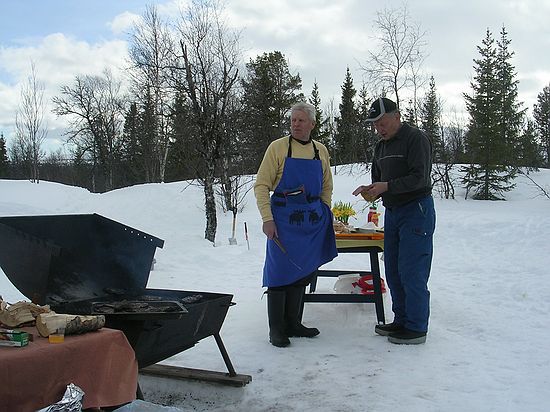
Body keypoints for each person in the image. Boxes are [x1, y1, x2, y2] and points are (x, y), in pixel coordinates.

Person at [353, 97, 435, 345]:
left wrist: (386, 186)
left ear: (397, 116)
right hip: (393, 212)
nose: (379, 128)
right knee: (393, 268)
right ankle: (401, 320)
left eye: (382, 122)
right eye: (375, 125)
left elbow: (420, 177)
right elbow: (379, 180)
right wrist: (371, 190)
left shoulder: (415, 139)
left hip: (416, 209)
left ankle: (416, 327)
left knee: (412, 269)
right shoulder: (381, 147)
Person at [254, 102, 338, 348]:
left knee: (303, 271)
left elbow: (327, 185)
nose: (296, 124)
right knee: (279, 273)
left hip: (311, 222)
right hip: (282, 222)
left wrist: (324, 210)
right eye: (293, 120)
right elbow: (261, 185)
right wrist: (267, 219)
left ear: (312, 124)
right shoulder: (278, 148)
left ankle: (293, 324)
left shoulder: (320, 150)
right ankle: (276, 330)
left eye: (301, 120)